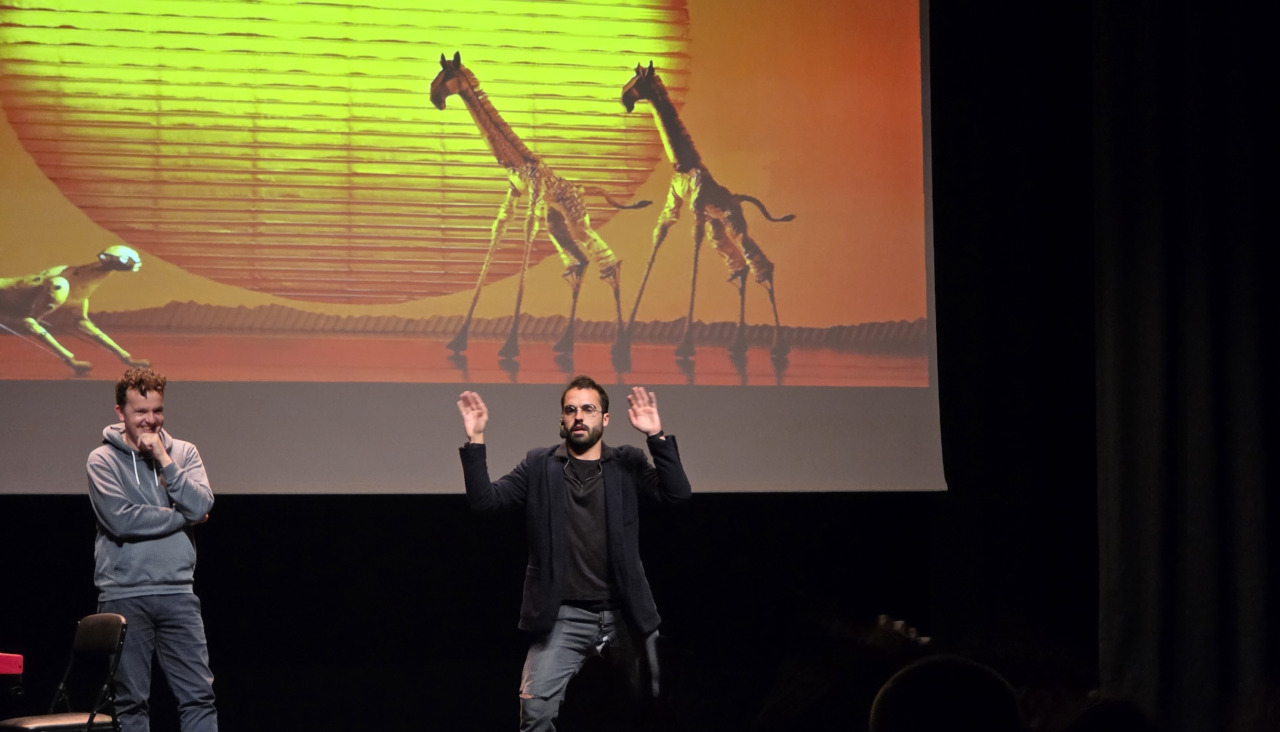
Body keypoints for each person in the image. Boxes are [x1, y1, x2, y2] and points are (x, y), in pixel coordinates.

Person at [457, 375, 692, 731]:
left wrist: (655, 436)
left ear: (605, 419)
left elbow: (677, 494)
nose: (579, 416)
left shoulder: (626, 463)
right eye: (571, 410)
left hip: (625, 614)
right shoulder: (539, 465)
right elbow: (485, 502)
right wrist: (476, 439)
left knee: (657, 709)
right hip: (563, 616)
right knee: (535, 713)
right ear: (562, 420)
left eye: (588, 409)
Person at [87, 367, 217, 732]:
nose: (151, 420)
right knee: (131, 704)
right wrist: (185, 517)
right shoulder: (102, 460)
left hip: (177, 593)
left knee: (198, 697)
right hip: (124, 594)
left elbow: (203, 502)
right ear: (120, 412)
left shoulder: (183, 453)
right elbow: (121, 521)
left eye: (157, 410)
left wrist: (164, 459)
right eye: (141, 412)